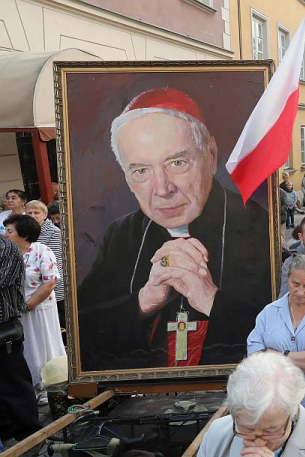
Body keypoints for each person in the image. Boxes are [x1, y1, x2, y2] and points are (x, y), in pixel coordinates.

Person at [77, 88, 275, 371]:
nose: (162, 189)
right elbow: (82, 331)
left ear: (211, 156)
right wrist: (143, 302)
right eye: (141, 170)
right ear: (128, 179)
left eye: (177, 163)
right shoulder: (122, 235)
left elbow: (287, 334)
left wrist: (210, 300)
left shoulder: (257, 226)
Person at [247, 256, 305, 420]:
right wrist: (302, 358)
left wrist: (278, 356)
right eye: (295, 284)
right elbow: (254, 357)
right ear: (288, 279)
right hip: (274, 405)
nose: (300, 292)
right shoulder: (269, 312)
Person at [3, 214, 65, 393]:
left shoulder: (41, 250)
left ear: (24, 234)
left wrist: (29, 305)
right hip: (16, 312)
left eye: (9, 231)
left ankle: (50, 387)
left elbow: (50, 282)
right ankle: (29, 388)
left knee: (43, 346)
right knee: (25, 349)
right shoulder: (9, 253)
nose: (5, 235)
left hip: (40, 310)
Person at [0, 231, 45, 457]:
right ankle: (7, 435)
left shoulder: (6, 249)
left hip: (4, 328)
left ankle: (30, 438)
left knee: (14, 387)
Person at [25, 200, 66, 332]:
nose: (32, 215)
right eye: (29, 212)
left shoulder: (53, 232)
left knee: (62, 318)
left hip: (52, 281)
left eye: (36, 212)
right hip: (34, 284)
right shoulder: (26, 232)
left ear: (45, 215)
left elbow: (54, 260)